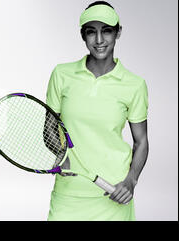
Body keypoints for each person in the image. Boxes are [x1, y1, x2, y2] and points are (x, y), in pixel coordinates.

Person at [45, 1, 149, 221]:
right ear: (83, 36)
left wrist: (131, 181)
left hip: (114, 192)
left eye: (107, 31)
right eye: (91, 32)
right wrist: (61, 154)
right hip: (70, 189)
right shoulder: (62, 74)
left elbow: (141, 142)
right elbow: (48, 129)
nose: (99, 40)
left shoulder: (135, 84)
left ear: (118, 32)